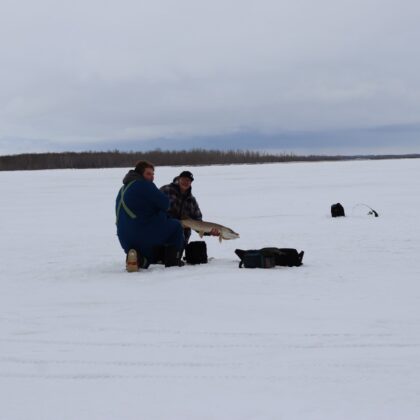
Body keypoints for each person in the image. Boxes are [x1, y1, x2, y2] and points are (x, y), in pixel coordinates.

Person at [115, 161, 184, 271]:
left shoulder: (122, 189)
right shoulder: (144, 185)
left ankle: (140, 259)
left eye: (153, 174)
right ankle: (173, 261)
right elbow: (165, 204)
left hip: (125, 239)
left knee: (150, 247)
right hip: (142, 235)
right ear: (140, 174)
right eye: (148, 174)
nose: (152, 177)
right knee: (176, 226)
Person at [160, 170, 219, 246]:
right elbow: (154, 207)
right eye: (183, 179)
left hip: (181, 239)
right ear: (179, 179)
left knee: (174, 257)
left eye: (188, 180)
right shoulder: (166, 190)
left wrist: (210, 231)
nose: (186, 182)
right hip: (163, 233)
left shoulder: (192, 200)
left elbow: (198, 223)